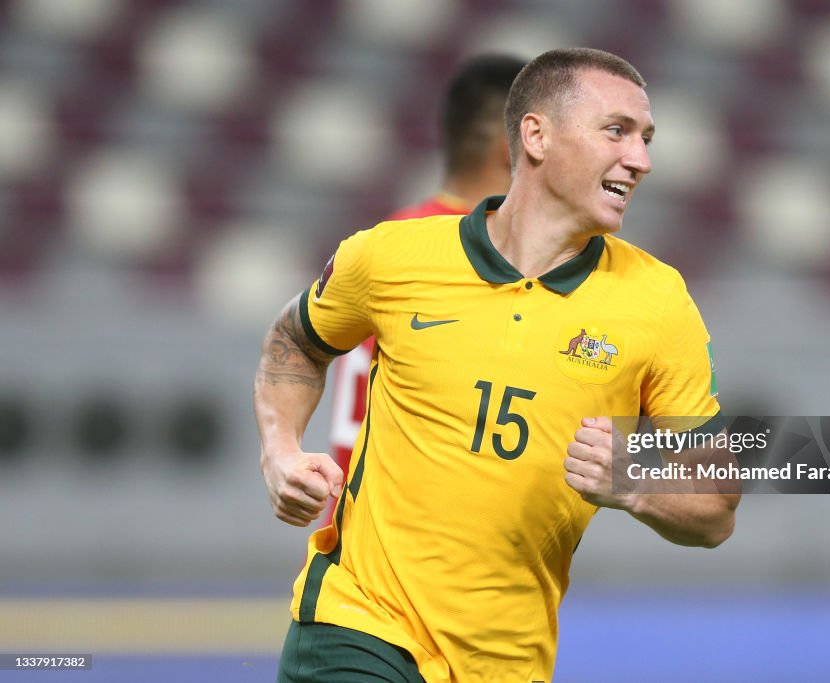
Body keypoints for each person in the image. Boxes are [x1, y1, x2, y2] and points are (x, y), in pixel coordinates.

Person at [255, 47, 740, 683]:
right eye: (616, 131)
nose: (641, 160)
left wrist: (637, 485)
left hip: (507, 661)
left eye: (647, 139)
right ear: (536, 135)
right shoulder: (392, 256)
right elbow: (296, 339)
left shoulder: (659, 302)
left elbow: (719, 506)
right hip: (358, 625)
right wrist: (280, 450)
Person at [328, 54, 527, 500]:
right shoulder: (495, 266)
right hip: (418, 560)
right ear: (514, 145)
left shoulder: (385, 243)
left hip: (345, 545)